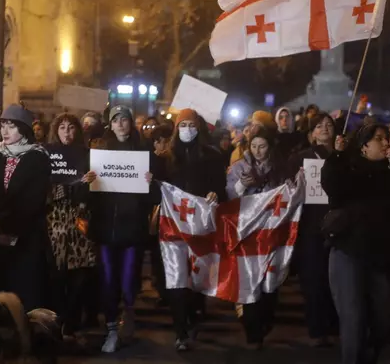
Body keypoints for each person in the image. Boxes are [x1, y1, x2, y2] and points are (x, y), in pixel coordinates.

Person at [321, 124, 390, 364]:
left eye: (386, 138)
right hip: (349, 252)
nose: (386, 143)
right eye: (379, 138)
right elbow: (332, 185)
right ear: (364, 146)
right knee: (353, 317)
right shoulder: (349, 168)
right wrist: (337, 155)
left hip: (383, 256)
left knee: (383, 319)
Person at [85, 105, 161, 353]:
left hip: (133, 229)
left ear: (131, 123)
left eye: (124, 119)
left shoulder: (144, 153)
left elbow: (156, 197)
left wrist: (152, 183)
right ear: (110, 124)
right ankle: (111, 328)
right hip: (106, 228)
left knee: (129, 279)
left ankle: (127, 314)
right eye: (115, 120)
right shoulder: (99, 152)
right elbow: (89, 195)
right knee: (108, 280)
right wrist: (87, 182)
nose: (120, 124)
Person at [0, 105, 53, 347]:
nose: (5, 131)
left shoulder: (38, 158)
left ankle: (24, 334)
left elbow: (33, 198)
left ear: (24, 129)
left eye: (11, 126)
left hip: (25, 232)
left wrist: (8, 226)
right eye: (3, 126)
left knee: (24, 283)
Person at [160, 109, 226, 351]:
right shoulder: (165, 158)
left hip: (200, 225)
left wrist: (215, 193)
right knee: (177, 278)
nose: (187, 129)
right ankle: (180, 331)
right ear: (176, 128)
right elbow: (156, 188)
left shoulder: (212, 156)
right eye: (183, 124)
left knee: (198, 276)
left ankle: (195, 314)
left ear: (199, 128)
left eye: (192, 125)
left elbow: (220, 186)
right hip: (173, 226)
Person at [226, 126, 286, 349]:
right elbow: (230, 194)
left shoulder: (280, 168)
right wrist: (242, 184)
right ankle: (251, 330)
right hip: (247, 231)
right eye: (254, 146)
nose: (258, 151)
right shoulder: (239, 166)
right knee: (249, 279)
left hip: (271, 230)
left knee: (269, 280)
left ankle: (266, 320)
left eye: (262, 146)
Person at [288, 112, 341, 347]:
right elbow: (289, 192)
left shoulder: (343, 157)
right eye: (319, 126)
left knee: (337, 279)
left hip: (338, 225)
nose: (325, 129)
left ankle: (336, 326)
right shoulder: (300, 159)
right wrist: (296, 183)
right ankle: (317, 329)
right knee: (313, 279)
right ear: (312, 133)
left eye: (329, 125)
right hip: (310, 226)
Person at [45, 114, 95, 343]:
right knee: (56, 272)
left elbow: (95, 193)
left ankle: (72, 322)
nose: (67, 132)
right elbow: (42, 189)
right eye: (62, 127)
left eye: (71, 127)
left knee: (79, 271)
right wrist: (61, 190)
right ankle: (57, 319)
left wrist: (89, 184)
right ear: (56, 130)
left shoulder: (88, 155)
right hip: (54, 219)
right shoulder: (46, 154)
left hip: (79, 219)